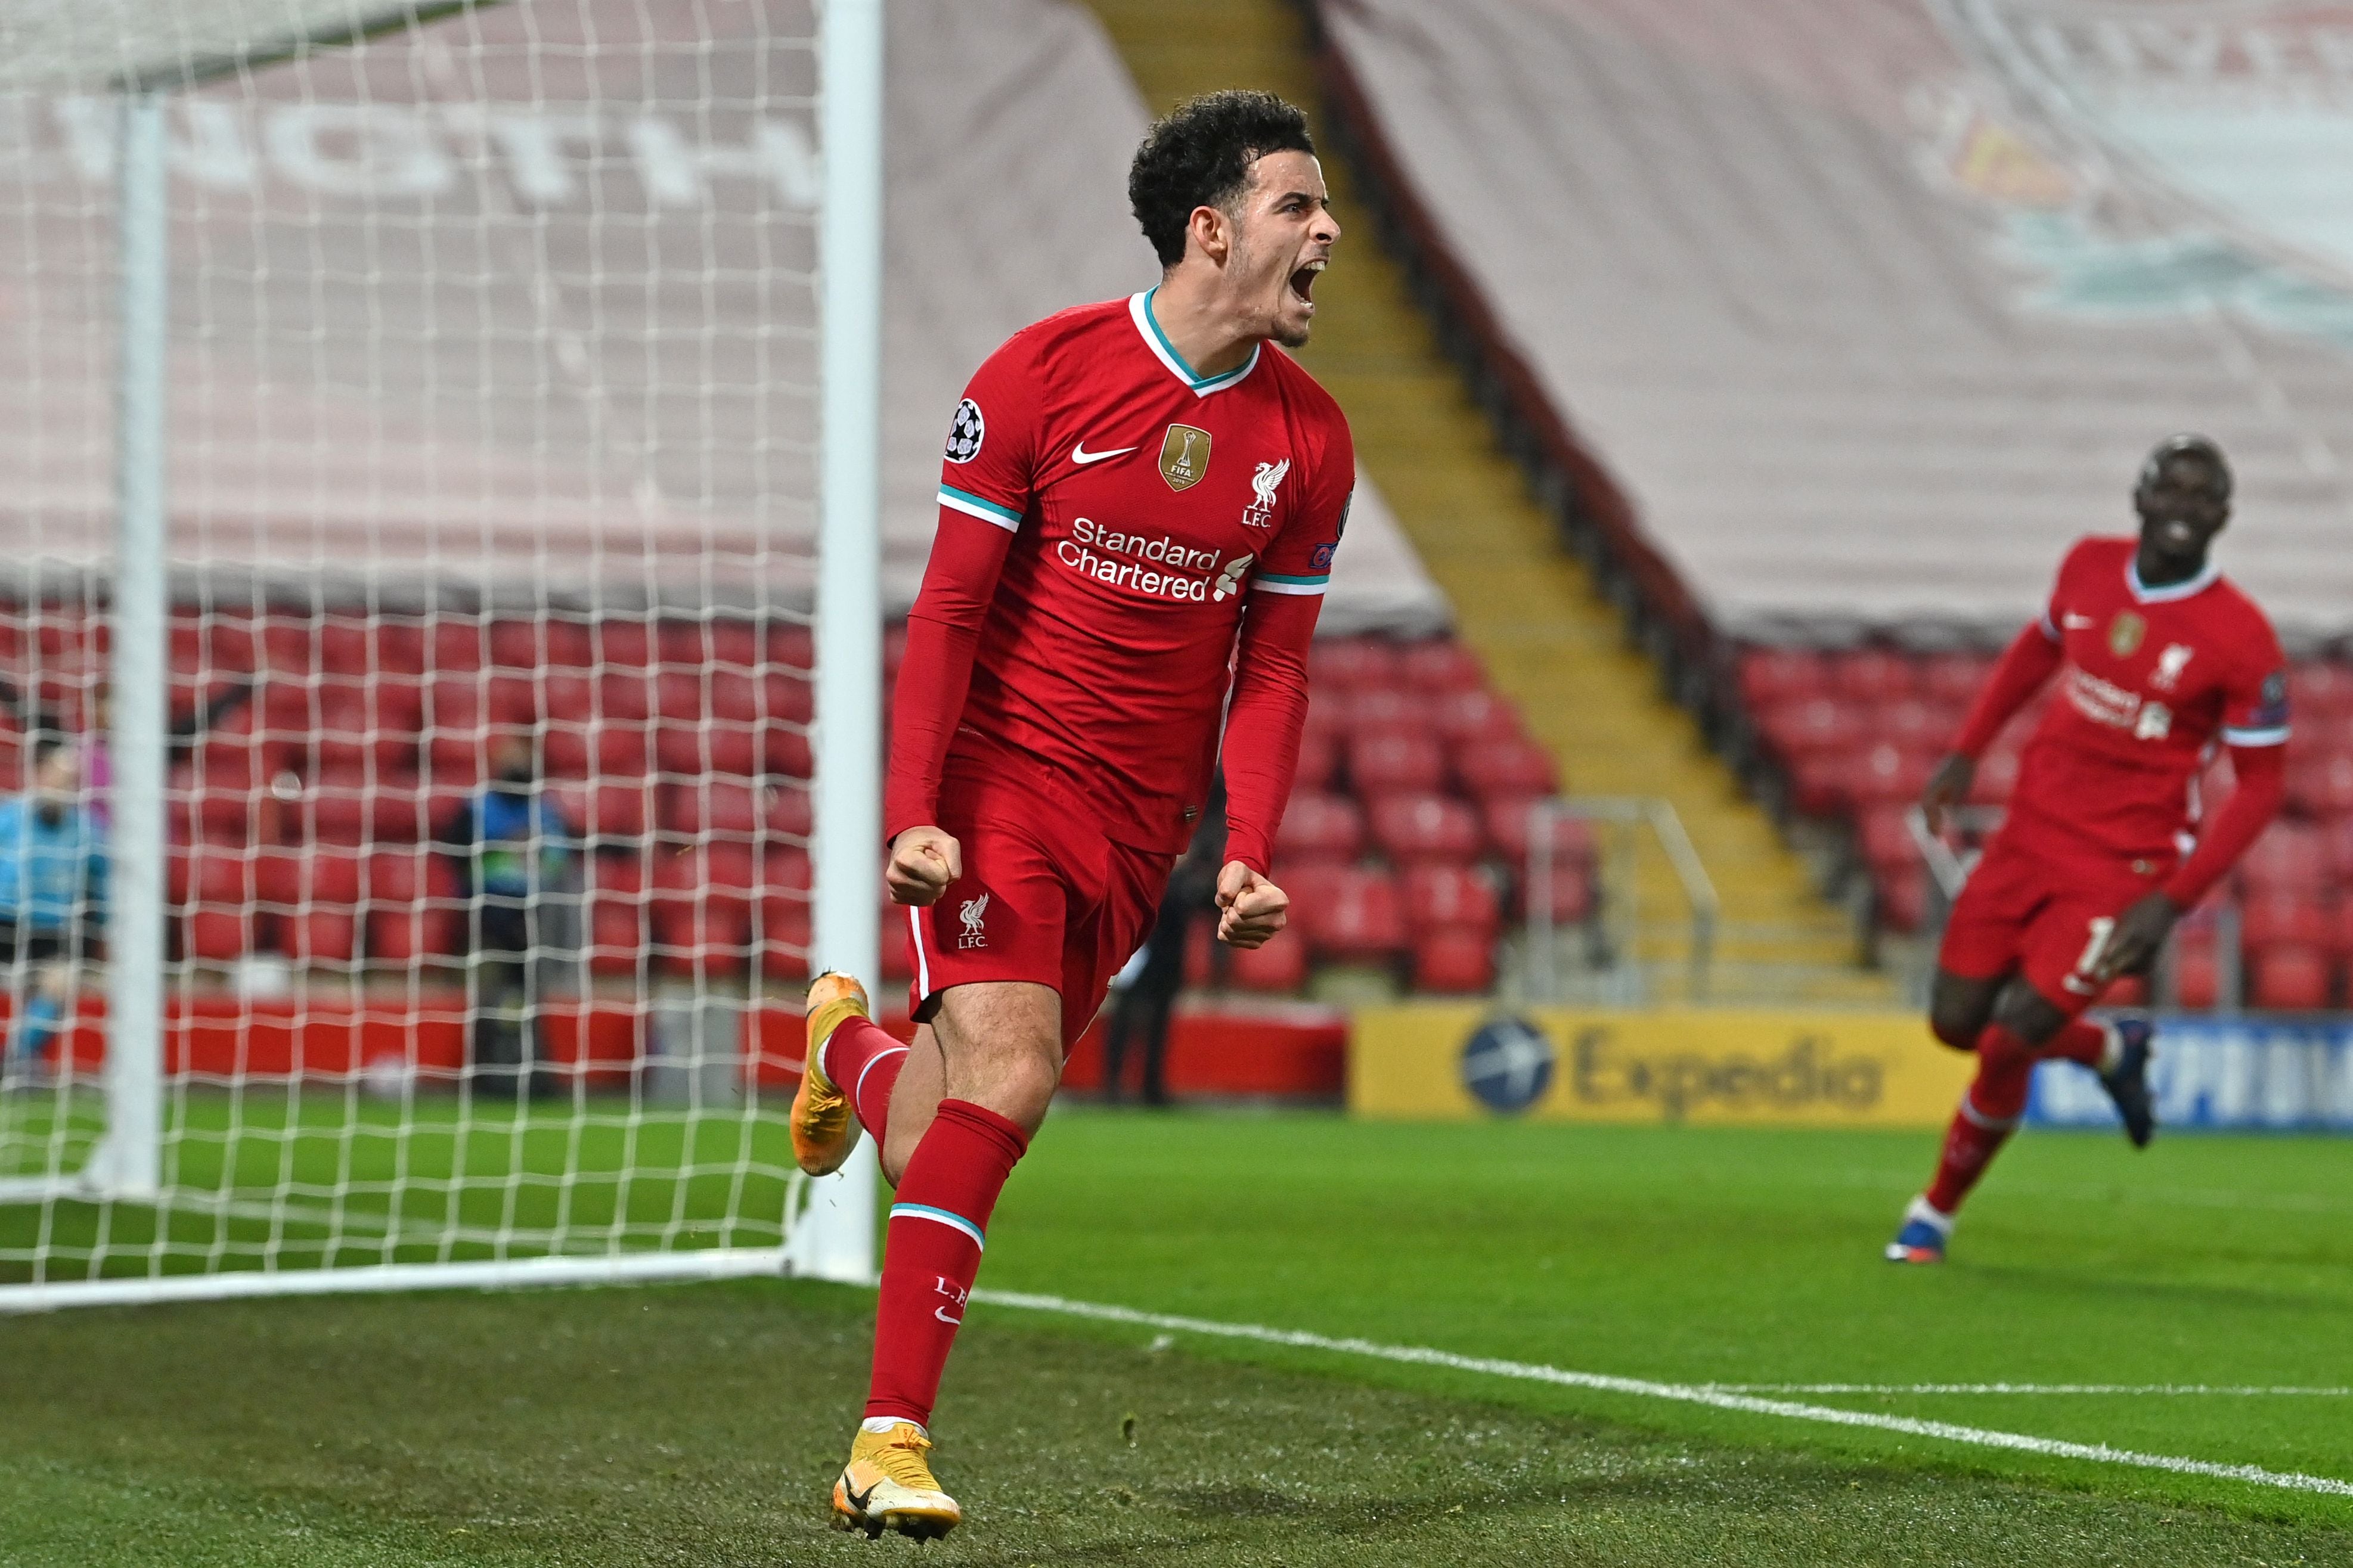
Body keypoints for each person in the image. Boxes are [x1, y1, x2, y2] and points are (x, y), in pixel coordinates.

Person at [789, 90, 1352, 1539]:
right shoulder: (1039, 373)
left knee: (942, 1131)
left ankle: (849, 1050)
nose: (1327, 233)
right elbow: (952, 607)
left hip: (1137, 823)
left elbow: (1271, 664)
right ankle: (885, 1437)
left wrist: (1245, 845)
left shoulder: (1311, 442)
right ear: (1211, 229)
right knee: (1017, 1070)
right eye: (1299, 207)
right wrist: (915, 810)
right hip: (999, 790)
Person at [1887, 434, 2288, 1264]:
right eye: (2167, 487)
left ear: (2223, 515)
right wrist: (1967, 747)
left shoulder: (2240, 637)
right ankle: (2111, 1047)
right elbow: (2036, 646)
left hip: (2123, 867)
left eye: (2201, 493)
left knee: (2012, 1036)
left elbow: (2258, 786)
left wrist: (2171, 897)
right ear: (2138, 498)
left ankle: (1932, 1213)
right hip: (2027, 835)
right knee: (1955, 1023)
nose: (2182, 505)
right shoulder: (2085, 567)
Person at [438, 732, 577, 1101]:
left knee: (532, 999)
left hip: (534, 916)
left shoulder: (545, 812)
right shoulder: (477, 808)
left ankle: (538, 1078)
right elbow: (456, 856)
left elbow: (560, 858)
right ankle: (483, 1078)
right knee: (489, 997)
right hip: (487, 914)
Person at [1101, 776, 1226, 1106]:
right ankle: (1115, 1085)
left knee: (1155, 1019)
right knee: (1128, 1016)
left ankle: (1148, 1087)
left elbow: (1200, 902)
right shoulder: (1152, 865)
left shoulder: (1184, 871)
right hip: (1138, 947)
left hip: (1164, 951)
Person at [0, 735, 107, 1080]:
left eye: (70, 783)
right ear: (40, 775)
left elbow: (102, 883)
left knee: (60, 984)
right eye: (57, 778)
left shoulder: (89, 831)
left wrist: (102, 926)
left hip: (53, 929)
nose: (63, 788)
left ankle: (17, 1058)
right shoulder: (9, 819)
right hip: (5, 918)